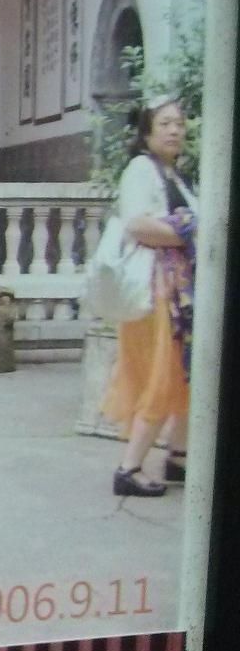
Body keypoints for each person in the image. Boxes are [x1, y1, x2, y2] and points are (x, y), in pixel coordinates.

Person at [103, 96, 197, 497]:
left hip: (177, 293)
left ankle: (179, 456)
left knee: (185, 372)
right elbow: (138, 225)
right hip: (156, 293)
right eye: (165, 124)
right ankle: (129, 468)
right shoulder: (141, 170)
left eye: (179, 123)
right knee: (164, 372)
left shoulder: (176, 176)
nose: (175, 130)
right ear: (146, 133)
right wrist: (189, 232)